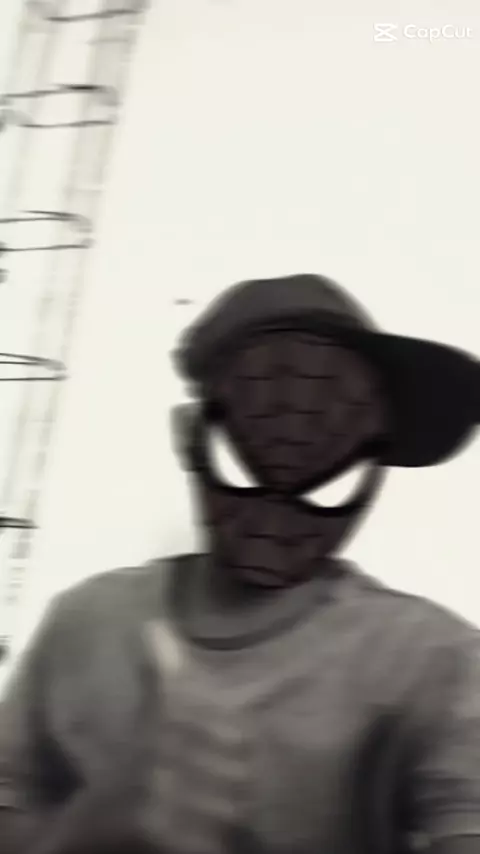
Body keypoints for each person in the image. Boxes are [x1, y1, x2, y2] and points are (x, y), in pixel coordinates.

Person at [1, 273, 480, 854]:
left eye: (329, 476)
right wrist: (87, 828)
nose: (280, 504)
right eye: (246, 459)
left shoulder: (431, 664)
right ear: (188, 436)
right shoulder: (84, 623)